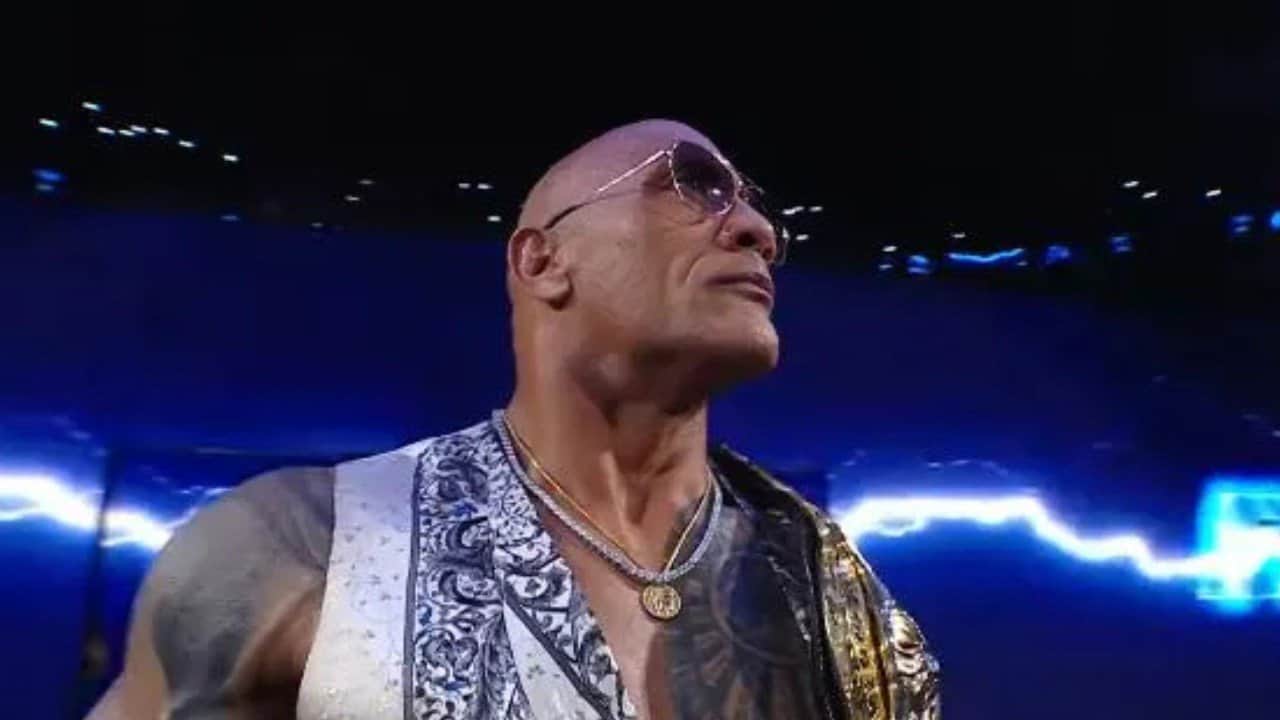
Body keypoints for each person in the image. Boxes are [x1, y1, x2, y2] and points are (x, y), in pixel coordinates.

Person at [89, 120, 940, 719]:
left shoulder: (828, 589)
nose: (757, 231)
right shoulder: (293, 546)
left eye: (754, 208)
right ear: (542, 261)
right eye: (693, 186)